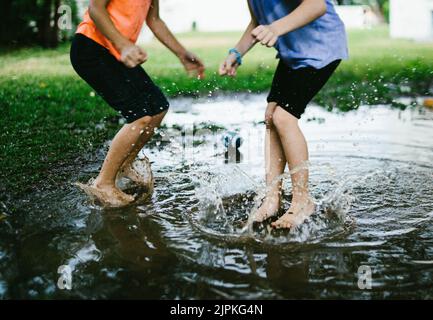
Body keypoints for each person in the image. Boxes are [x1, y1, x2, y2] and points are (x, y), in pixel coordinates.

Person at [219, 0, 348, 229]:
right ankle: (272, 199)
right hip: (293, 52)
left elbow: (317, 5)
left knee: (284, 117)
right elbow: (258, 21)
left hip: (320, 47)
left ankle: (302, 202)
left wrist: (276, 28)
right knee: (271, 117)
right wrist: (237, 53)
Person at [70, 0, 205, 207]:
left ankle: (125, 164)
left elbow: (154, 20)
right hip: (92, 47)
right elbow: (95, 8)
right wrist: (124, 44)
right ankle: (103, 183)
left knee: (158, 107)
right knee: (140, 115)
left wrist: (181, 53)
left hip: (118, 51)